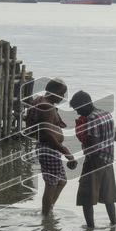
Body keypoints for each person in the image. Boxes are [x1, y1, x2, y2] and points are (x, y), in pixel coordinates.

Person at [69, 90, 116, 228]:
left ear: (84, 105)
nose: (78, 113)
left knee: (86, 197)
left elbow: (94, 144)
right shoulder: (107, 114)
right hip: (108, 160)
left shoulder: (91, 118)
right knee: (109, 196)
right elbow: (115, 137)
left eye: (78, 109)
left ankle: (90, 228)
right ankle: (113, 224)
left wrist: (82, 137)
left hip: (94, 161)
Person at [30, 79, 77, 217]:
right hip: (48, 148)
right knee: (51, 184)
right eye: (61, 94)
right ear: (53, 91)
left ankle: (48, 209)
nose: (63, 97)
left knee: (61, 181)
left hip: (49, 148)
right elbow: (47, 133)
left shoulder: (41, 101)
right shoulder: (47, 107)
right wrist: (66, 151)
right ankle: (46, 216)